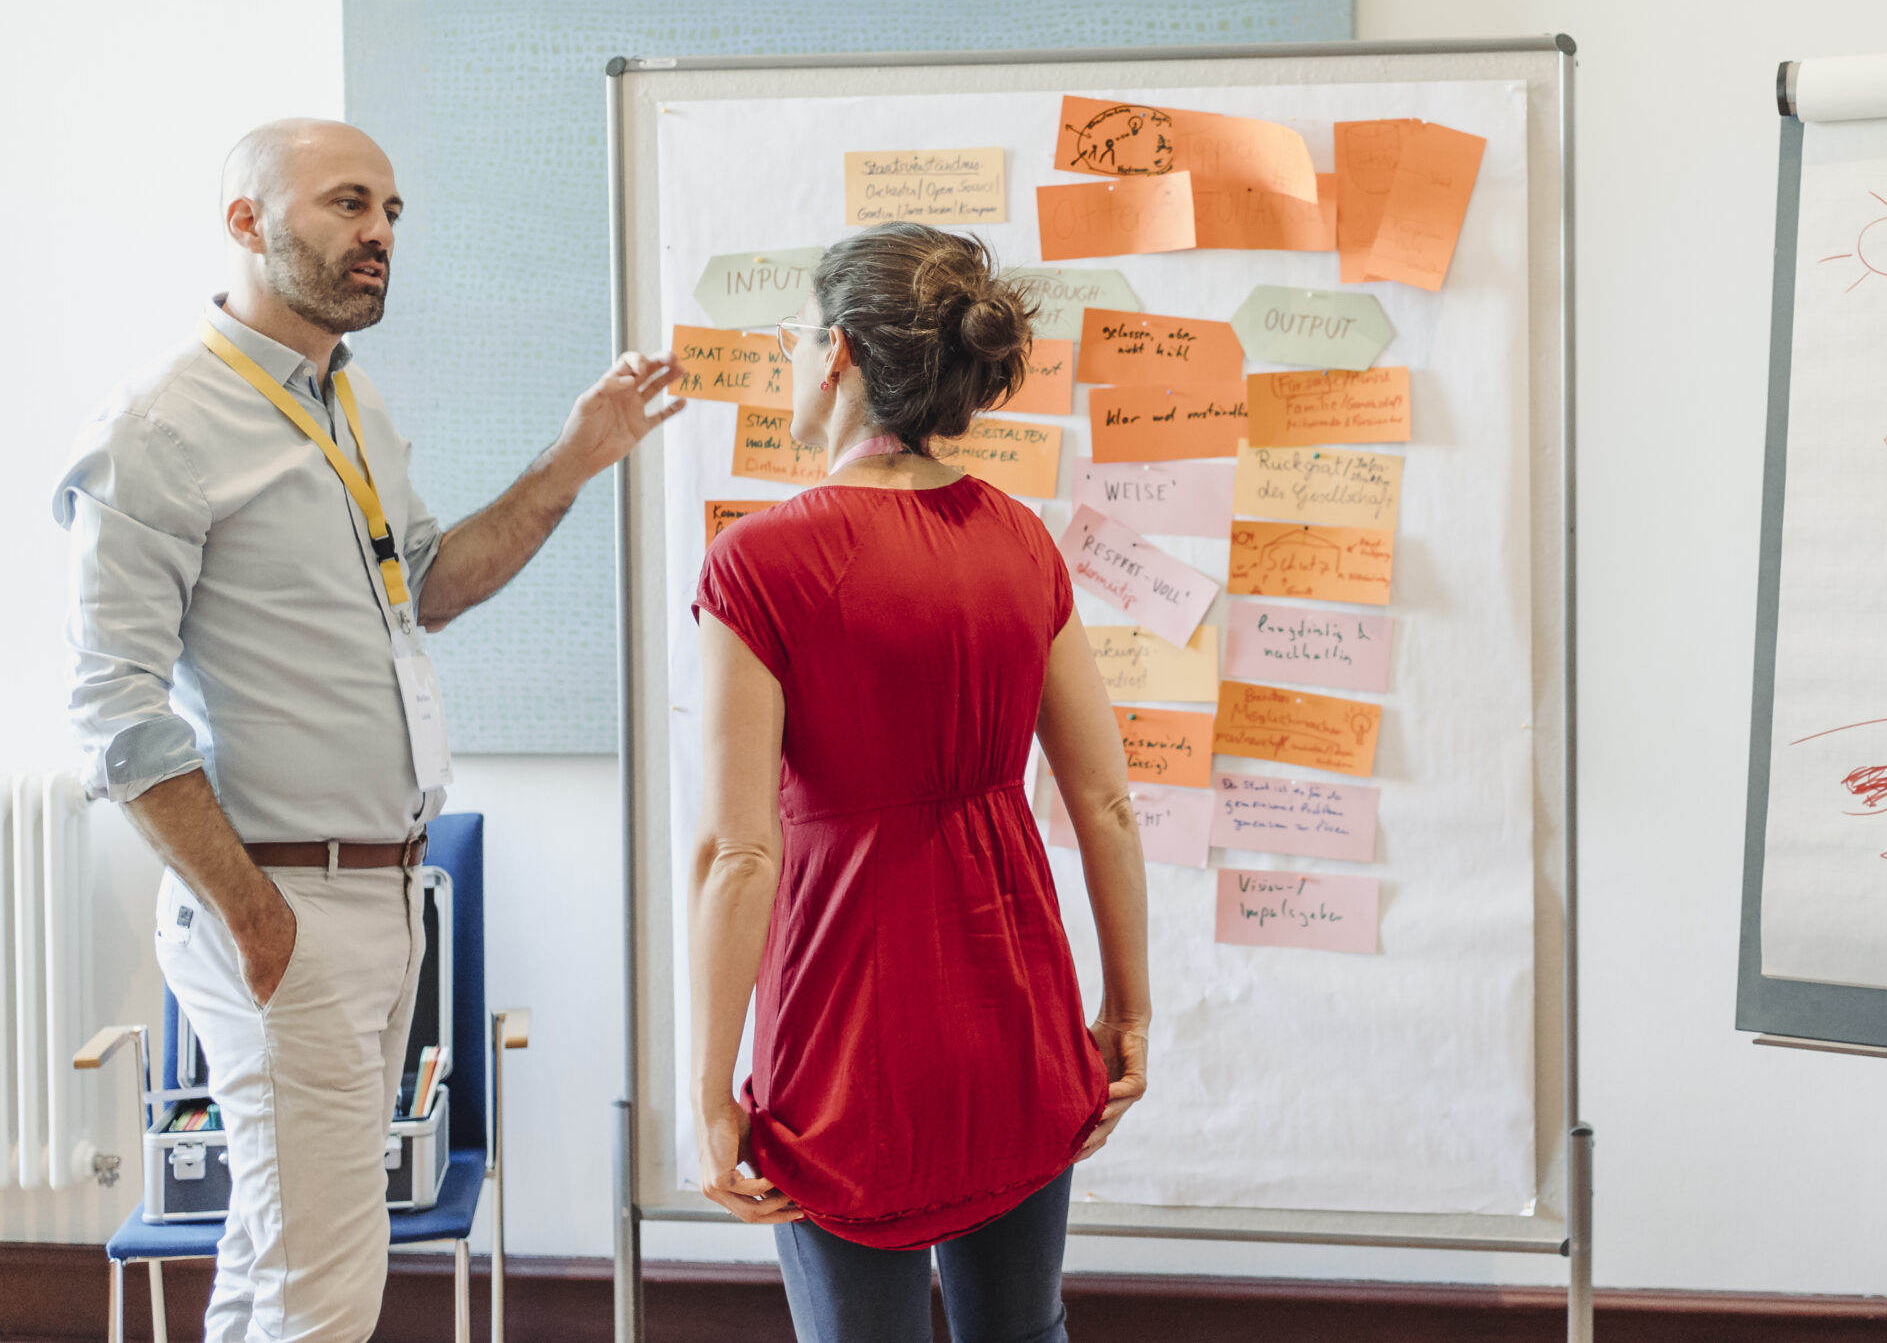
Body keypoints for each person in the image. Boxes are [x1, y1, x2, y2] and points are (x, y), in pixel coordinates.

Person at [57, 118, 685, 1343]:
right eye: (349, 205)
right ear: (246, 222)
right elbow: (112, 709)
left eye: (393, 212)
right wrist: (257, 918)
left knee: (277, 1266)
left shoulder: (346, 403)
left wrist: (572, 459)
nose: (380, 235)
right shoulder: (159, 431)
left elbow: (432, 585)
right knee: (321, 1294)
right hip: (287, 906)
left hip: (383, 903)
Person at [688, 222, 1150, 1343]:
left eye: (800, 339)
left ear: (839, 353)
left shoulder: (760, 562)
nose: (797, 359)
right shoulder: (1020, 543)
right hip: (1017, 1022)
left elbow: (739, 854)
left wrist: (708, 1099)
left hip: (845, 1045)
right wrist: (1127, 1007)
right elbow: (1107, 803)